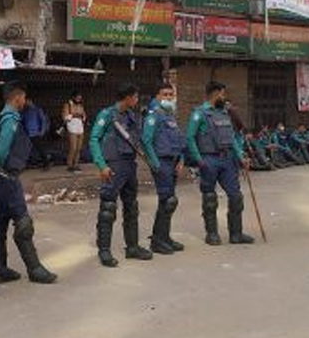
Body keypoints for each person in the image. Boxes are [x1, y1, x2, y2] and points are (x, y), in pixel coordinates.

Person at [0, 82, 57, 284]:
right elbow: (0, 151)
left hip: (1, 177)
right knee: (23, 222)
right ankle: (34, 268)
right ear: (18, 98)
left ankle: (0, 269)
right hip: (7, 176)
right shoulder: (11, 120)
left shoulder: (3, 117)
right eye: (23, 98)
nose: (24, 102)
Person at [89, 83, 152, 267]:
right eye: (135, 97)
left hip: (129, 165)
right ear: (128, 98)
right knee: (108, 209)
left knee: (131, 207)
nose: (137, 100)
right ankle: (104, 251)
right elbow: (93, 139)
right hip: (113, 166)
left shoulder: (132, 116)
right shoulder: (107, 115)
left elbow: (140, 140)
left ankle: (132, 247)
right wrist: (101, 165)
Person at [186, 81, 253, 246]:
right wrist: (199, 160)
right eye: (222, 94)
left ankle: (236, 234)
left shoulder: (225, 113)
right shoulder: (199, 113)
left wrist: (241, 157)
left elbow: (232, 139)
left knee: (236, 197)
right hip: (209, 159)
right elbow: (189, 137)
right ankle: (212, 234)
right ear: (215, 94)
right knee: (210, 198)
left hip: (227, 159)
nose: (224, 97)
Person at [141, 83, 186, 255]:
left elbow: (179, 140)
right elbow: (146, 140)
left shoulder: (170, 116)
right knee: (168, 200)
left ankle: (164, 237)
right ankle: (158, 241)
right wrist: (155, 163)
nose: (168, 98)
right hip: (162, 162)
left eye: (171, 95)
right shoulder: (154, 116)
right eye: (165, 95)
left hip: (173, 162)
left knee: (168, 202)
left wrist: (181, 159)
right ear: (158, 97)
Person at [20, 98, 51, 170]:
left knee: (41, 149)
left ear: (30, 101)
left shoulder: (37, 110)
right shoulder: (25, 111)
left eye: (27, 101)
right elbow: (21, 120)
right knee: (28, 149)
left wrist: (42, 131)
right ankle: (31, 163)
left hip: (36, 133)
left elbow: (43, 120)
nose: (25, 103)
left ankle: (46, 164)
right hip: (28, 133)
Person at [62, 92, 87, 171]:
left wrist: (82, 116)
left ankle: (76, 164)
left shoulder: (80, 105)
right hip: (72, 126)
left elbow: (84, 115)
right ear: (73, 97)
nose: (79, 100)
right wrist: (74, 115)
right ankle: (70, 165)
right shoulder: (67, 105)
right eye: (77, 98)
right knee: (73, 147)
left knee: (79, 148)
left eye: (80, 98)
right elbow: (65, 117)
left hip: (80, 126)